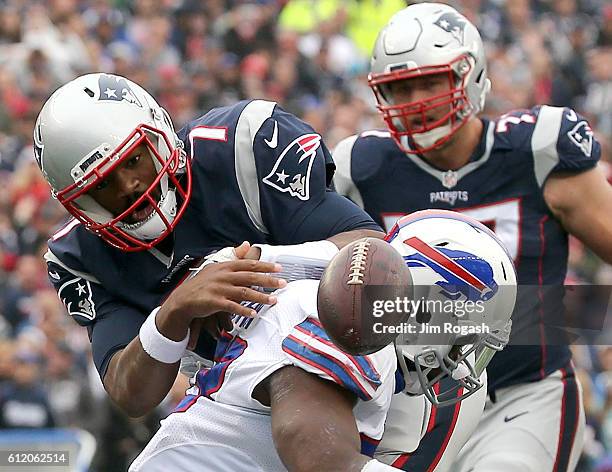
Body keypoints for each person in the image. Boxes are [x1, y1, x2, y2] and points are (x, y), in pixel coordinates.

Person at [333, 3, 612, 471]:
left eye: (429, 82)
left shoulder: (536, 152)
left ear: (470, 75)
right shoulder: (361, 169)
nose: (416, 99)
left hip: (520, 396)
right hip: (411, 406)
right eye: (400, 87)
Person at [33, 73, 384, 418]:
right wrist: (173, 314)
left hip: (352, 335)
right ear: (78, 204)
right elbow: (130, 394)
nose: (129, 186)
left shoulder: (241, 145)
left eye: (134, 160)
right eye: (102, 185)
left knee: (427, 251)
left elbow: (372, 248)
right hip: (241, 397)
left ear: (159, 132)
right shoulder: (79, 255)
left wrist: (244, 266)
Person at [129, 212, 516, 471]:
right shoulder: (338, 317)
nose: (461, 358)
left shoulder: (348, 318)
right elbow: (315, 450)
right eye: (464, 337)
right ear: (426, 308)